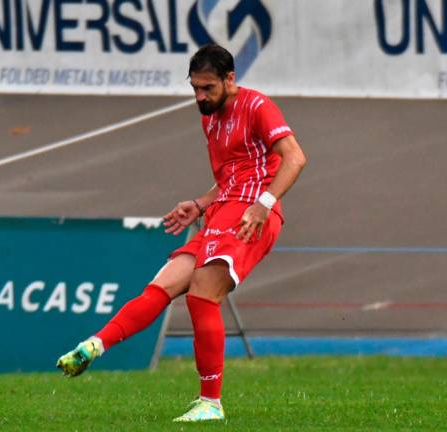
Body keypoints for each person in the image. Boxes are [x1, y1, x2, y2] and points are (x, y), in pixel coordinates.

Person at [56, 44, 307, 422]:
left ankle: (211, 403)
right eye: (194, 88)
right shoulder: (209, 117)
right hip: (224, 209)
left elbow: (295, 157)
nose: (199, 97)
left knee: (203, 293)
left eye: (207, 88)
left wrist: (264, 203)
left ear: (229, 79)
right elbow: (229, 179)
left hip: (251, 213)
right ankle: (94, 346)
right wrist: (201, 203)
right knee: (163, 285)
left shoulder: (257, 106)